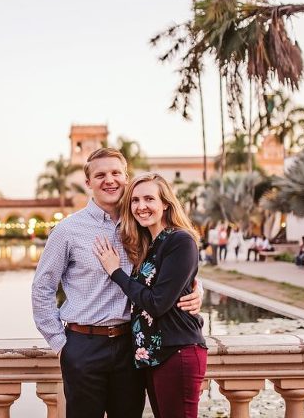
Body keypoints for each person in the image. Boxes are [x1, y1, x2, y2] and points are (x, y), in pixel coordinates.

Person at [31, 148, 203, 418]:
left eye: (115, 173)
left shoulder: (140, 225)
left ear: (126, 177)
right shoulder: (67, 230)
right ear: (88, 183)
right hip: (83, 345)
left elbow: (169, 267)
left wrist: (195, 287)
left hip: (130, 346)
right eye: (100, 175)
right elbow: (42, 287)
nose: (108, 180)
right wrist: (61, 345)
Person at [93, 172, 207, 418]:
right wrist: (199, 289)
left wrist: (115, 271)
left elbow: (157, 303)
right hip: (153, 356)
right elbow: (177, 283)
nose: (141, 207)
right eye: (134, 200)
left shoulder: (180, 240)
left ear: (165, 203)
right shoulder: (147, 244)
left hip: (177, 352)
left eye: (149, 199)